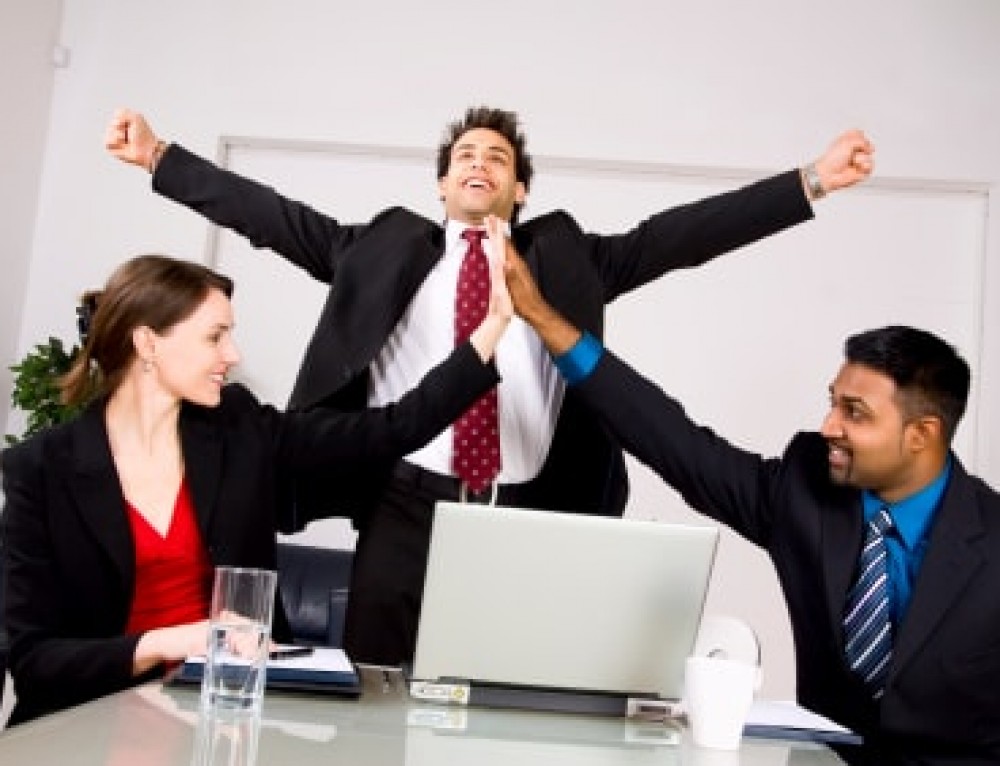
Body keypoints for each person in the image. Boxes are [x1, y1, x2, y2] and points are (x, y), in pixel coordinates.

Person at [105, 106, 874, 665]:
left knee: (514, 680)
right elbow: (271, 216)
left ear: (521, 189)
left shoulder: (568, 258)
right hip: (405, 499)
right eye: (466, 155)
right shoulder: (378, 248)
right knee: (374, 675)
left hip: (531, 507)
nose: (480, 163)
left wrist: (810, 181)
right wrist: (160, 157)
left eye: (499, 158)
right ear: (443, 184)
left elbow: (684, 235)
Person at [500, 229, 1000, 764]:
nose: (828, 426)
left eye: (854, 413)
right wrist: (544, 320)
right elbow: (677, 445)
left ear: (922, 434)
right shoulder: (805, 490)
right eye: (832, 403)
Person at [0, 252, 512, 725]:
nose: (232, 353)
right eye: (214, 336)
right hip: (88, 722)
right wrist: (176, 641)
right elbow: (32, 659)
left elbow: (386, 431)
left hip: (224, 717)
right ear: (147, 343)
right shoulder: (39, 471)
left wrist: (490, 331)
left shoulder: (238, 425)